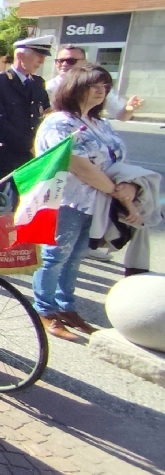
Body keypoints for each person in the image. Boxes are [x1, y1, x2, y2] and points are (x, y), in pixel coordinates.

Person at [31, 62, 142, 341]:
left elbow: (118, 160)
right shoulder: (60, 122)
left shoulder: (100, 123)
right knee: (55, 256)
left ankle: (67, 307)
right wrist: (120, 194)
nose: (101, 91)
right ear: (76, 87)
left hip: (96, 202)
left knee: (76, 256)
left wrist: (129, 184)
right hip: (66, 199)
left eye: (105, 86)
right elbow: (78, 165)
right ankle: (45, 310)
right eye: (94, 85)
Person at [0, 35, 52, 198]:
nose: (41, 61)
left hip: (28, 157)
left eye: (43, 57)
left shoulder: (37, 83)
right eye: (38, 56)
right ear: (20, 56)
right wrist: (28, 144)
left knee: (23, 206)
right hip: (2, 155)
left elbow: (46, 112)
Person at [46, 45, 143, 122]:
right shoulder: (48, 87)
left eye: (71, 61)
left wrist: (128, 109)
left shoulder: (98, 87)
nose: (64, 64)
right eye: (60, 61)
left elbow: (121, 116)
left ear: (84, 62)